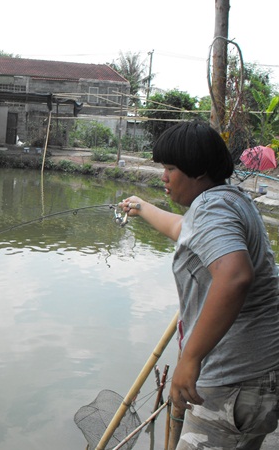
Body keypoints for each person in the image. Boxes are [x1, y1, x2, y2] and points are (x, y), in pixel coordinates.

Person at [119, 120, 279, 449]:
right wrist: (143, 207)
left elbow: (235, 276)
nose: (163, 176)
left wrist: (190, 359)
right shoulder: (230, 199)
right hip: (260, 374)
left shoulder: (211, 209)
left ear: (198, 170)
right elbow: (188, 232)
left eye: (171, 168)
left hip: (233, 380)